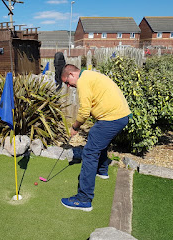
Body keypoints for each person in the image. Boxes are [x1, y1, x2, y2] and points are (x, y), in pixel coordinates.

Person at [60, 64, 131, 211]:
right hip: (120, 115)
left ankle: (84, 199)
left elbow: (84, 111)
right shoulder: (89, 76)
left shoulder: (83, 82)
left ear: (72, 74)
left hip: (113, 117)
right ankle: (102, 170)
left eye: (67, 82)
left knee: (90, 152)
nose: (68, 86)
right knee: (97, 137)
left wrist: (75, 127)